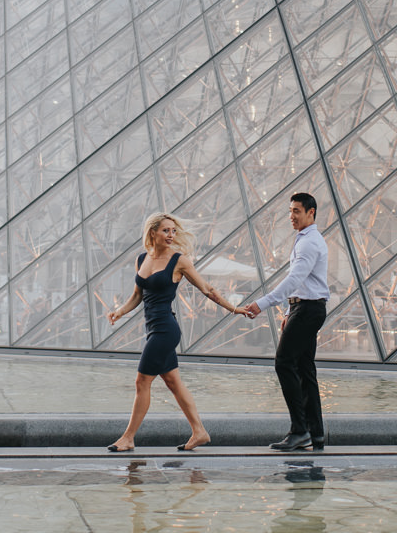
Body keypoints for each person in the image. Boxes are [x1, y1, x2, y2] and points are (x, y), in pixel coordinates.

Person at [105, 213, 244, 453]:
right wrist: (120, 311)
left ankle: (128, 437)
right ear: (153, 233)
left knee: (141, 381)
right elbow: (138, 296)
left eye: (173, 231)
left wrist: (234, 308)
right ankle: (199, 431)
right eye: (166, 231)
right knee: (173, 382)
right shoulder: (142, 259)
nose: (171, 235)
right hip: (153, 329)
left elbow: (207, 289)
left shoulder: (179, 261)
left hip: (166, 330)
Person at [241, 192, 330, 452]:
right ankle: (316, 434)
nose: (291, 216)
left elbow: (294, 279)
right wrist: (289, 311)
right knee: (304, 370)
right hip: (306, 309)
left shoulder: (308, 243)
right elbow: (300, 283)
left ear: (311, 212)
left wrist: (263, 303)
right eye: (290, 211)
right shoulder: (307, 239)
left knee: (283, 363)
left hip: (308, 309)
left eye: (297, 212)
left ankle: (300, 431)